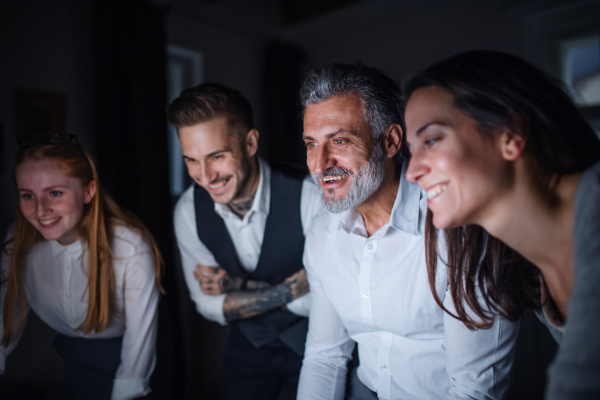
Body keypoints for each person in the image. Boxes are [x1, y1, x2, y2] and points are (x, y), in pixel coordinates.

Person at [296, 61, 519, 400]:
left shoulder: (459, 231)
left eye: (339, 141)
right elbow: (324, 358)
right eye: (311, 143)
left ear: (390, 141)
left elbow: (474, 391)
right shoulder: (321, 232)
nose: (319, 163)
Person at [404, 50, 600, 399]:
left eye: (431, 140)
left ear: (510, 134)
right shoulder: (530, 268)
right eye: (412, 148)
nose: (412, 171)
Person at [167, 83, 322, 399]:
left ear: (250, 142)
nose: (205, 176)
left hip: (317, 343)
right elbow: (207, 304)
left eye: (217, 156)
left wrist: (236, 286)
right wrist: (288, 289)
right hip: (245, 347)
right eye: (191, 160)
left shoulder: (309, 195)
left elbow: (326, 298)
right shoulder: (188, 211)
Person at [0, 135, 163, 399]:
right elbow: (7, 315)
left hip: (137, 351)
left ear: (88, 191)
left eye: (54, 193)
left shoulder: (129, 246)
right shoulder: (17, 241)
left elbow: (137, 349)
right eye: (28, 195)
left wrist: (128, 388)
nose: (41, 210)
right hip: (73, 354)